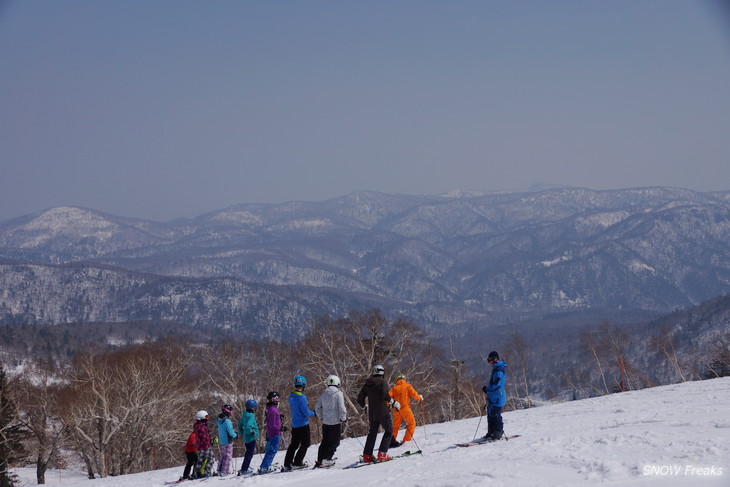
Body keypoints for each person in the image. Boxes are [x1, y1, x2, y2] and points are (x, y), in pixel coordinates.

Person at [357, 364, 400, 463]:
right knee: (389, 431)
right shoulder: (382, 382)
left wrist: (364, 406)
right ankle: (382, 454)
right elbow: (385, 395)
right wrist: (394, 403)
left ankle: (367, 455)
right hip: (383, 411)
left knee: (372, 433)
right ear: (382, 373)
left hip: (372, 413)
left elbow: (360, 398)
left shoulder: (367, 384)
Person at [314, 375, 347, 468]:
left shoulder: (324, 394)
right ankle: (326, 460)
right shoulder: (338, 393)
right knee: (335, 442)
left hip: (326, 423)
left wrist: (321, 417)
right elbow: (342, 408)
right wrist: (343, 418)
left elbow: (317, 407)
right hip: (335, 422)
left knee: (325, 442)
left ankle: (320, 460)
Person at [284, 375, 316, 470]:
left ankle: (287, 463)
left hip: (295, 424)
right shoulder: (302, 397)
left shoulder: (291, 396)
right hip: (303, 424)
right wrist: (314, 413)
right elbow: (305, 412)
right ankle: (298, 462)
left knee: (294, 444)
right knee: (305, 444)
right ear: (303, 385)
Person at [389, 374, 423, 447]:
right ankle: (406, 440)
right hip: (405, 408)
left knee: (395, 426)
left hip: (397, 409)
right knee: (412, 423)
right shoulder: (408, 386)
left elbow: (387, 398)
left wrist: (388, 406)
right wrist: (419, 398)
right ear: (404, 380)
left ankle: (391, 440)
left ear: (397, 380)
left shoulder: (394, 388)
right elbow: (415, 396)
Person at [482, 350, 507, 441]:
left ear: (495, 360)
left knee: (496, 415)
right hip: (493, 397)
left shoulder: (499, 370)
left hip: (498, 397)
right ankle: (491, 432)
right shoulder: (496, 369)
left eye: (490, 360)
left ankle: (498, 432)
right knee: (490, 414)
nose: (489, 363)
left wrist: (487, 389)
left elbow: (497, 385)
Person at [259, 391, 283, 474]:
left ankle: (265, 466)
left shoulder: (271, 409)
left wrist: (279, 419)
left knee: (272, 450)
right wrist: (280, 428)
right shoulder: (273, 410)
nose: (278, 401)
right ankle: (264, 467)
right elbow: (273, 424)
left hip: (272, 432)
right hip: (274, 433)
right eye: (278, 399)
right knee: (272, 450)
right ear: (274, 399)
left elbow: (272, 421)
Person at [237, 399, 259, 476]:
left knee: (248, 453)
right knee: (249, 454)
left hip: (246, 438)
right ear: (252, 408)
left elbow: (240, 425)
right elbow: (248, 426)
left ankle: (245, 468)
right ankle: (244, 469)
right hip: (251, 438)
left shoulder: (245, 415)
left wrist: (242, 432)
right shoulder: (250, 416)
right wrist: (253, 432)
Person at [216, 404, 237, 475]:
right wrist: (235, 435)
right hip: (228, 441)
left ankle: (219, 470)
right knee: (227, 457)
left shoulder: (219, 419)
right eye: (230, 412)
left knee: (222, 456)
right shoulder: (227, 421)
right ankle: (224, 472)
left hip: (222, 440)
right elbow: (231, 432)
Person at [192, 410, 214, 478]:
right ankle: (207, 473)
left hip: (200, 446)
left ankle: (196, 474)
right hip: (205, 446)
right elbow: (204, 437)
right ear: (201, 418)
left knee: (200, 460)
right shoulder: (202, 427)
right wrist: (209, 442)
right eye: (206, 417)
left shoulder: (198, 425)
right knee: (211, 459)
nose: (207, 419)